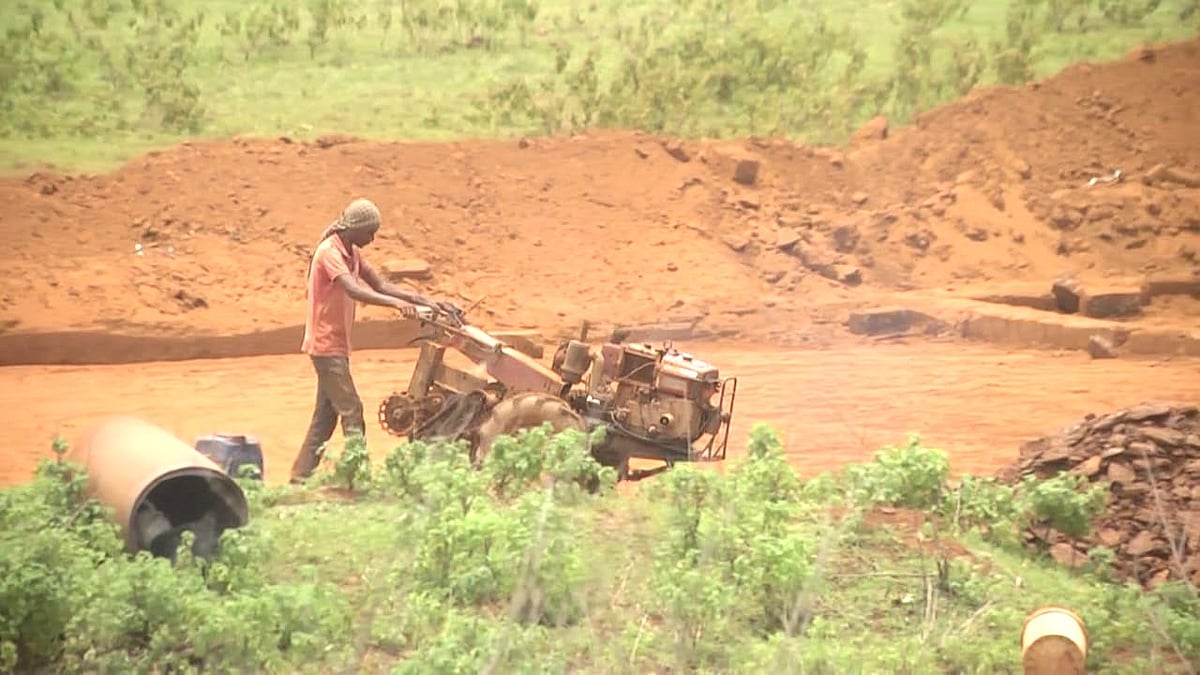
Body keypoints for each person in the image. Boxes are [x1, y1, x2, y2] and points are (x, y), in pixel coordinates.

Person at [289, 197, 435, 483]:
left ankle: (300, 476)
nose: (372, 238)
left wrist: (421, 299)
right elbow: (353, 290)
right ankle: (358, 476)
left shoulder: (351, 252)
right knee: (352, 408)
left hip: (337, 345)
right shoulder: (329, 252)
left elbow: (380, 284)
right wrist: (396, 306)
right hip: (325, 345)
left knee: (325, 416)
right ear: (354, 228)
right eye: (370, 232)